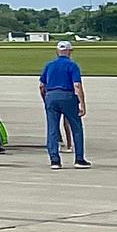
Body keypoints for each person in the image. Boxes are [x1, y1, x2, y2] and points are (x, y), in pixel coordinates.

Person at [41, 40, 89, 169]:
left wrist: (46, 99)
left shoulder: (49, 65)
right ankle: (79, 159)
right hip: (67, 96)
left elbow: (41, 85)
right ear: (69, 52)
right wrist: (82, 104)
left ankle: (54, 160)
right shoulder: (72, 65)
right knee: (76, 127)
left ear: (57, 51)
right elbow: (77, 85)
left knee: (52, 129)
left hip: (51, 96)